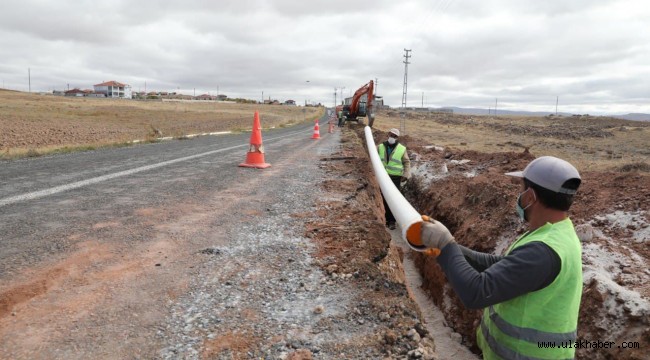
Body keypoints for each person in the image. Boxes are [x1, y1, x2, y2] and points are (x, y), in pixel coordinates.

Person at [420, 156, 583, 359]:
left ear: (530, 196)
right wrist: (451, 247)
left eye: (521, 189)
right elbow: (500, 266)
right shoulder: (555, 234)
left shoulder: (542, 251)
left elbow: (476, 292)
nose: (519, 195)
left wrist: (446, 246)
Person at [378, 128, 411, 230]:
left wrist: (406, 174)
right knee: (382, 198)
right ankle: (382, 219)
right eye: (391, 135)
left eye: (395, 136)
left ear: (397, 138)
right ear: (388, 134)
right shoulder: (380, 147)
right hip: (382, 176)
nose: (392, 137)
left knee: (393, 200)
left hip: (395, 177)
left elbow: (406, 162)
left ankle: (391, 221)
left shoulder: (401, 149)